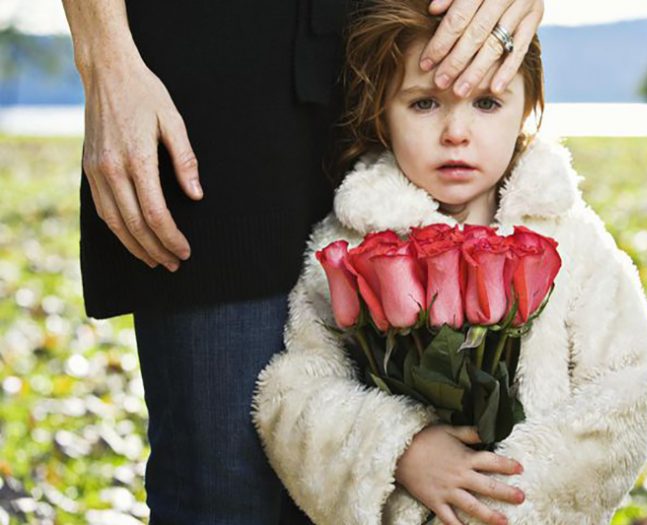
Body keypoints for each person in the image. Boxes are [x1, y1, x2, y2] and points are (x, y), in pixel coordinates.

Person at [60, 0, 545, 523]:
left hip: (417, 39)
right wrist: (105, 57)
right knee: (224, 493)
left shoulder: (522, 196)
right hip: (209, 81)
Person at [250, 0, 647, 524]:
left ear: (528, 107)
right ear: (382, 111)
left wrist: (500, 497)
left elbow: (623, 389)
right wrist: (400, 450)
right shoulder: (348, 245)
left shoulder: (571, 237)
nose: (455, 133)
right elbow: (293, 394)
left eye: (487, 103)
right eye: (424, 104)